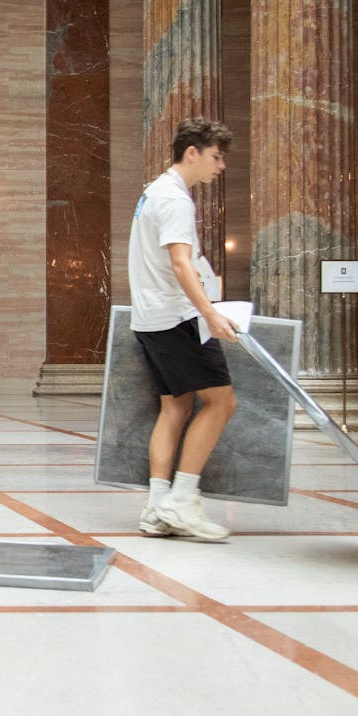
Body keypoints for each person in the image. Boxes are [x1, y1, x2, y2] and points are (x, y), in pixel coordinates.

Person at [128, 117, 240, 542]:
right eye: (216, 156)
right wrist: (210, 313)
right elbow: (179, 263)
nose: (220, 166)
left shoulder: (152, 192)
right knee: (221, 404)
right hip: (176, 319)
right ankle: (182, 501)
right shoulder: (175, 199)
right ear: (191, 153)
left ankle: (157, 506)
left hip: (151, 319)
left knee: (175, 408)